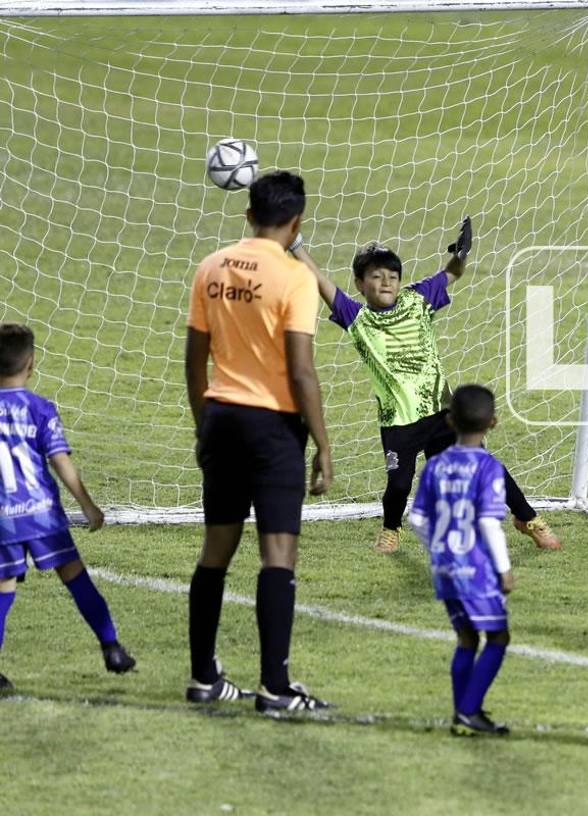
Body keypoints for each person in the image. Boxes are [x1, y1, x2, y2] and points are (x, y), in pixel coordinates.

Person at [291, 221, 560, 554]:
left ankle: (528, 518)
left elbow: (453, 272)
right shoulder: (355, 318)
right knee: (400, 483)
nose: (386, 281)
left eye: (392, 275)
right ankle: (391, 529)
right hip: (398, 421)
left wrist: (461, 255)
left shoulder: (417, 300)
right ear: (360, 284)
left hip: (442, 414)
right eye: (376, 276)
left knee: (480, 463)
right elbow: (321, 282)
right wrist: (295, 247)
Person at [184, 170, 334, 713]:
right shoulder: (295, 277)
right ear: (296, 223)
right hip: (272, 428)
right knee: (278, 555)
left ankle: (203, 677)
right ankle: (275, 686)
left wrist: (206, 423)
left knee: (216, 551)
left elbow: (194, 361)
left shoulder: (211, 267)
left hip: (221, 418)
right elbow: (301, 371)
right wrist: (322, 442)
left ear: (248, 214)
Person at [0, 323, 136, 691]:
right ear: (31, 363)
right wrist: (88, 505)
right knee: (75, 578)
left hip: (3, 521)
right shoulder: (40, 408)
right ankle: (112, 648)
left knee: (4, 587)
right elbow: (60, 461)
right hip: (42, 514)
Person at [408, 384, 514, 736]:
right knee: (497, 638)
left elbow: (418, 519)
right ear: (493, 422)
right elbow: (487, 522)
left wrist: (439, 549)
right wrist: (503, 568)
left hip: (444, 568)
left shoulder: (435, 466)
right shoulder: (488, 467)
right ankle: (468, 711)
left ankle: (463, 714)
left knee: (467, 639)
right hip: (476, 569)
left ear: (449, 421)